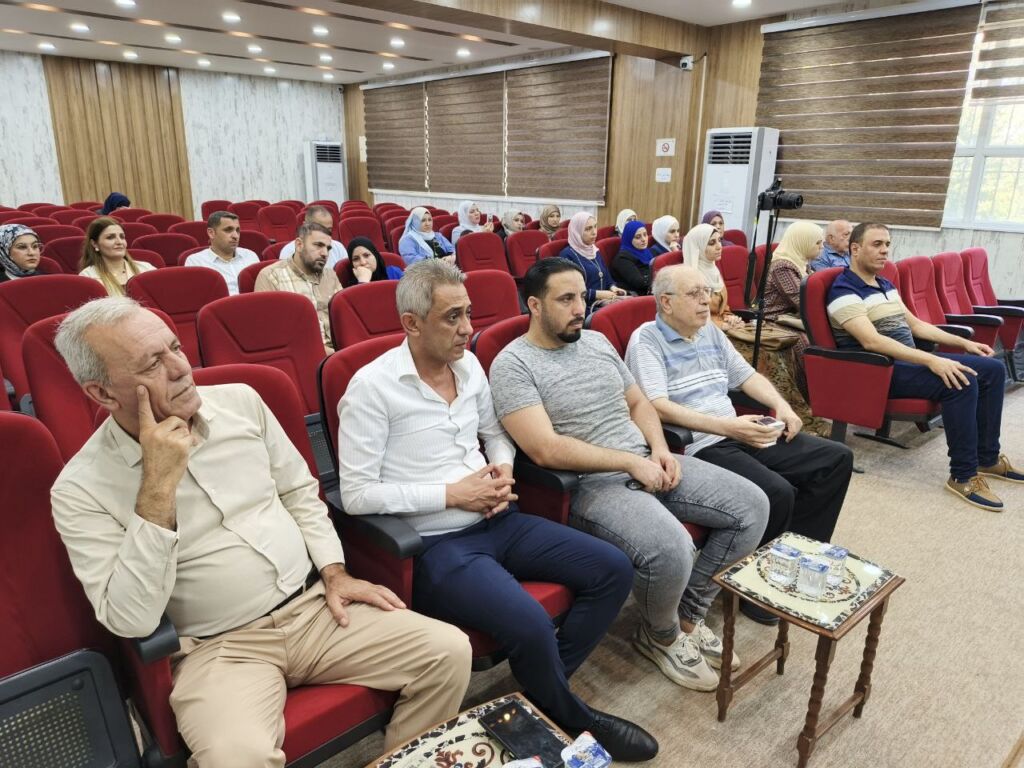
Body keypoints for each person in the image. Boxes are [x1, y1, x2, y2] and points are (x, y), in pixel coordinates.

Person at [50, 297, 471, 767]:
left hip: (315, 608)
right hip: (218, 648)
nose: (180, 368)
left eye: (175, 348)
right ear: (103, 393)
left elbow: (299, 492)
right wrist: (157, 487)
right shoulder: (79, 488)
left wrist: (335, 571)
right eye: (152, 364)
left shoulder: (242, 402)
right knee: (235, 758)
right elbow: (129, 619)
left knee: (448, 651)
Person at [336, 260, 657, 762]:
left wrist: (503, 470)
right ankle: (575, 716)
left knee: (613, 568)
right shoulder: (371, 387)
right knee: (530, 624)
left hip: (497, 517)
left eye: (468, 313)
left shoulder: (468, 366)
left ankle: (540, 699)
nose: (468, 328)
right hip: (436, 545)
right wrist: (451, 495)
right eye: (452, 317)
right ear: (412, 323)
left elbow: (495, 434)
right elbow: (356, 494)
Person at [490, 258, 769, 692]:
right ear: (535, 305)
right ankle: (660, 635)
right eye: (565, 299)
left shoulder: (597, 341)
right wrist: (628, 462)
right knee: (672, 547)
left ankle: (688, 615)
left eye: (582, 297)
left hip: (645, 459)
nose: (579, 308)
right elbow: (544, 448)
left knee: (752, 506)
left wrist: (659, 449)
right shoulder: (513, 364)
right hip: (589, 484)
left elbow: (639, 403)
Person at [627, 265, 853, 622]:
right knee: (777, 492)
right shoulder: (647, 340)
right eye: (694, 294)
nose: (707, 301)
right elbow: (656, 405)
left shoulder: (710, 332)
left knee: (835, 459)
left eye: (707, 291)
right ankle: (755, 591)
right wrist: (728, 427)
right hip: (699, 445)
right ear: (666, 303)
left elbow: (746, 376)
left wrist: (781, 405)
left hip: (738, 431)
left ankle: (795, 560)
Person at [828, 223, 1022, 510]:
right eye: (877, 244)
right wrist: (932, 359)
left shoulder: (884, 285)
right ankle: (963, 476)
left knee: (992, 369)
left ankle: (987, 458)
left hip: (907, 362)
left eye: (887, 244)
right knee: (960, 380)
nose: (885, 251)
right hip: (878, 371)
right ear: (855, 249)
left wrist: (965, 343)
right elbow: (872, 341)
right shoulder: (843, 290)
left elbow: (917, 325)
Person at [685, 222, 825, 435]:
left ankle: (796, 412)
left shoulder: (712, 271)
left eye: (719, 241)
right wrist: (723, 324)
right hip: (702, 335)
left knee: (782, 349)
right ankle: (792, 416)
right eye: (711, 243)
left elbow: (723, 309)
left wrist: (731, 318)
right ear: (697, 247)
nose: (719, 246)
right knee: (769, 355)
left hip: (725, 330)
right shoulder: (689, 279)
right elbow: (691, 317)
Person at [254, 222, 342, 355]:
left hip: (338, 350)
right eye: (318, 245)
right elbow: (271, 333)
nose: (325, 253)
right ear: (299, 245)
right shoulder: (271, 276)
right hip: (300, 354)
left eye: (328, 248)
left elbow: (343, 318)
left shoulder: (330, 275)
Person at [557, 212, 625, 315]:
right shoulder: (567, 255)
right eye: (588, 229)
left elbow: (606, 276)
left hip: (604, 302)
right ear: (577, 232)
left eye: (595, 226)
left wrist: (613, 288)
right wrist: (598, 294)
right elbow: (570, 290)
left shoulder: (594, 250)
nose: (594, 232)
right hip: (583, 308)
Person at [184, 211, 258, 295]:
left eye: (237, 230)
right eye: (228, 230)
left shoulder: (250, 256)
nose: (235, 236)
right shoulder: (196, 262)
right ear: (211, 233)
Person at [79, 216, 156, 296]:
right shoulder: (88, 276)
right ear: (94, 244)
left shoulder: (147, 268)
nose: (119, 242)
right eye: (110, 237)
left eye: (122, 237)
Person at [277, 205, 348, 270]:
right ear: (305, 225)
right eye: (320, 229)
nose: (325, 234)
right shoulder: (289, 251)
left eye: (329, 230)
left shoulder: (338, 247)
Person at [611, 220, 655, 295]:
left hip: (650, 291)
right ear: (629, 238)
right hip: (634, 295)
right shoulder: (622, 259)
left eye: (645, 235)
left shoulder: (648, 252)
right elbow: (640, 283)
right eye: (638, 237)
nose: (643, 239)